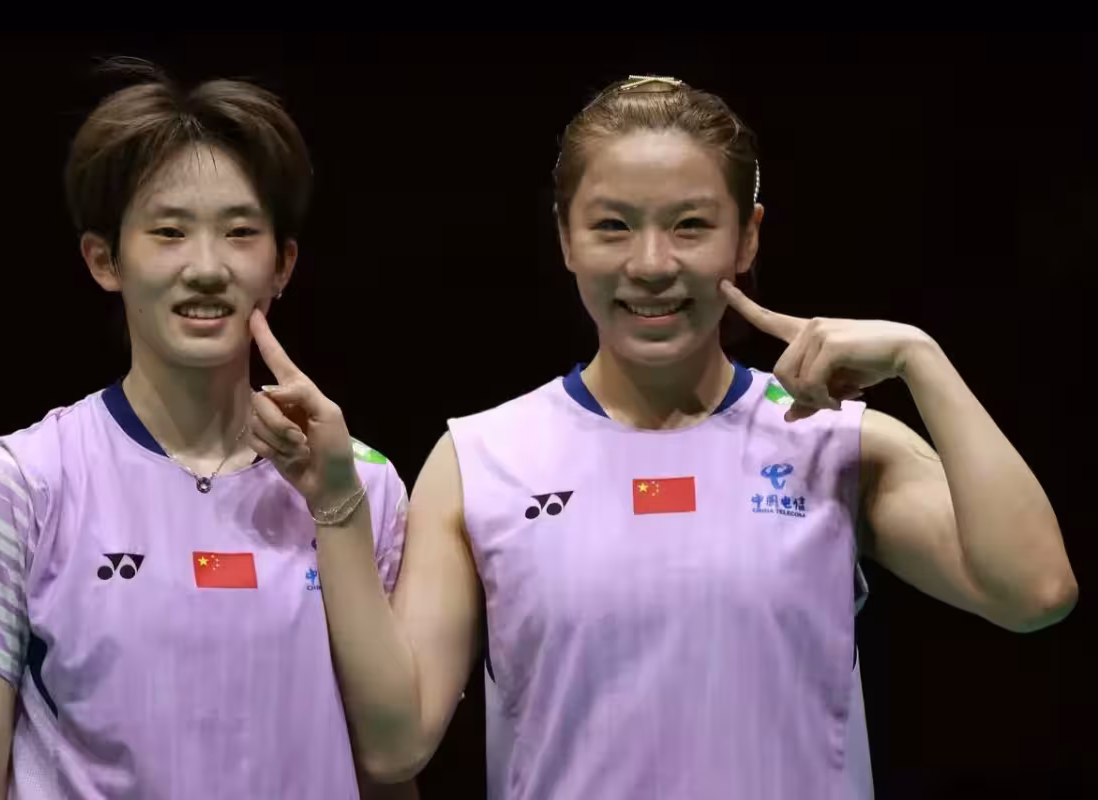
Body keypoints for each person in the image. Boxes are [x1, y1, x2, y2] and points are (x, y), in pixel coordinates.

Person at [245, 75, 1078, 799]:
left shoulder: (835, 442)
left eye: (690, 225)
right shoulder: (480, 459)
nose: (650, 263)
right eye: (612, 226)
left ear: (747, 237)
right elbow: (396, 746)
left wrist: (920, 359)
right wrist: (339, 504)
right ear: (565, 237)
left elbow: (1035, 593)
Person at [0, 62, 416, 800]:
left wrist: (336, 502)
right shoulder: (20, 487)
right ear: (105, 260)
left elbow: (391, 765)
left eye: (240, 232)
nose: (206, 267)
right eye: (169, 232)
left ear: (282, 264)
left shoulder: (364, 484)